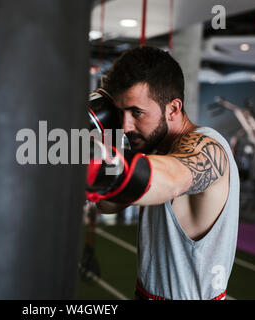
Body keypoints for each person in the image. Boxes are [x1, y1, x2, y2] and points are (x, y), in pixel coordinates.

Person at [85, 46, 240, 300]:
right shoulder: (153, 148)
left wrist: (96, 165)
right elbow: (108, 205)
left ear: (173, 108)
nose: (126, 125)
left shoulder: (208, 148)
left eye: (136, 112)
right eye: (120, 113)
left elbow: (173, 180)